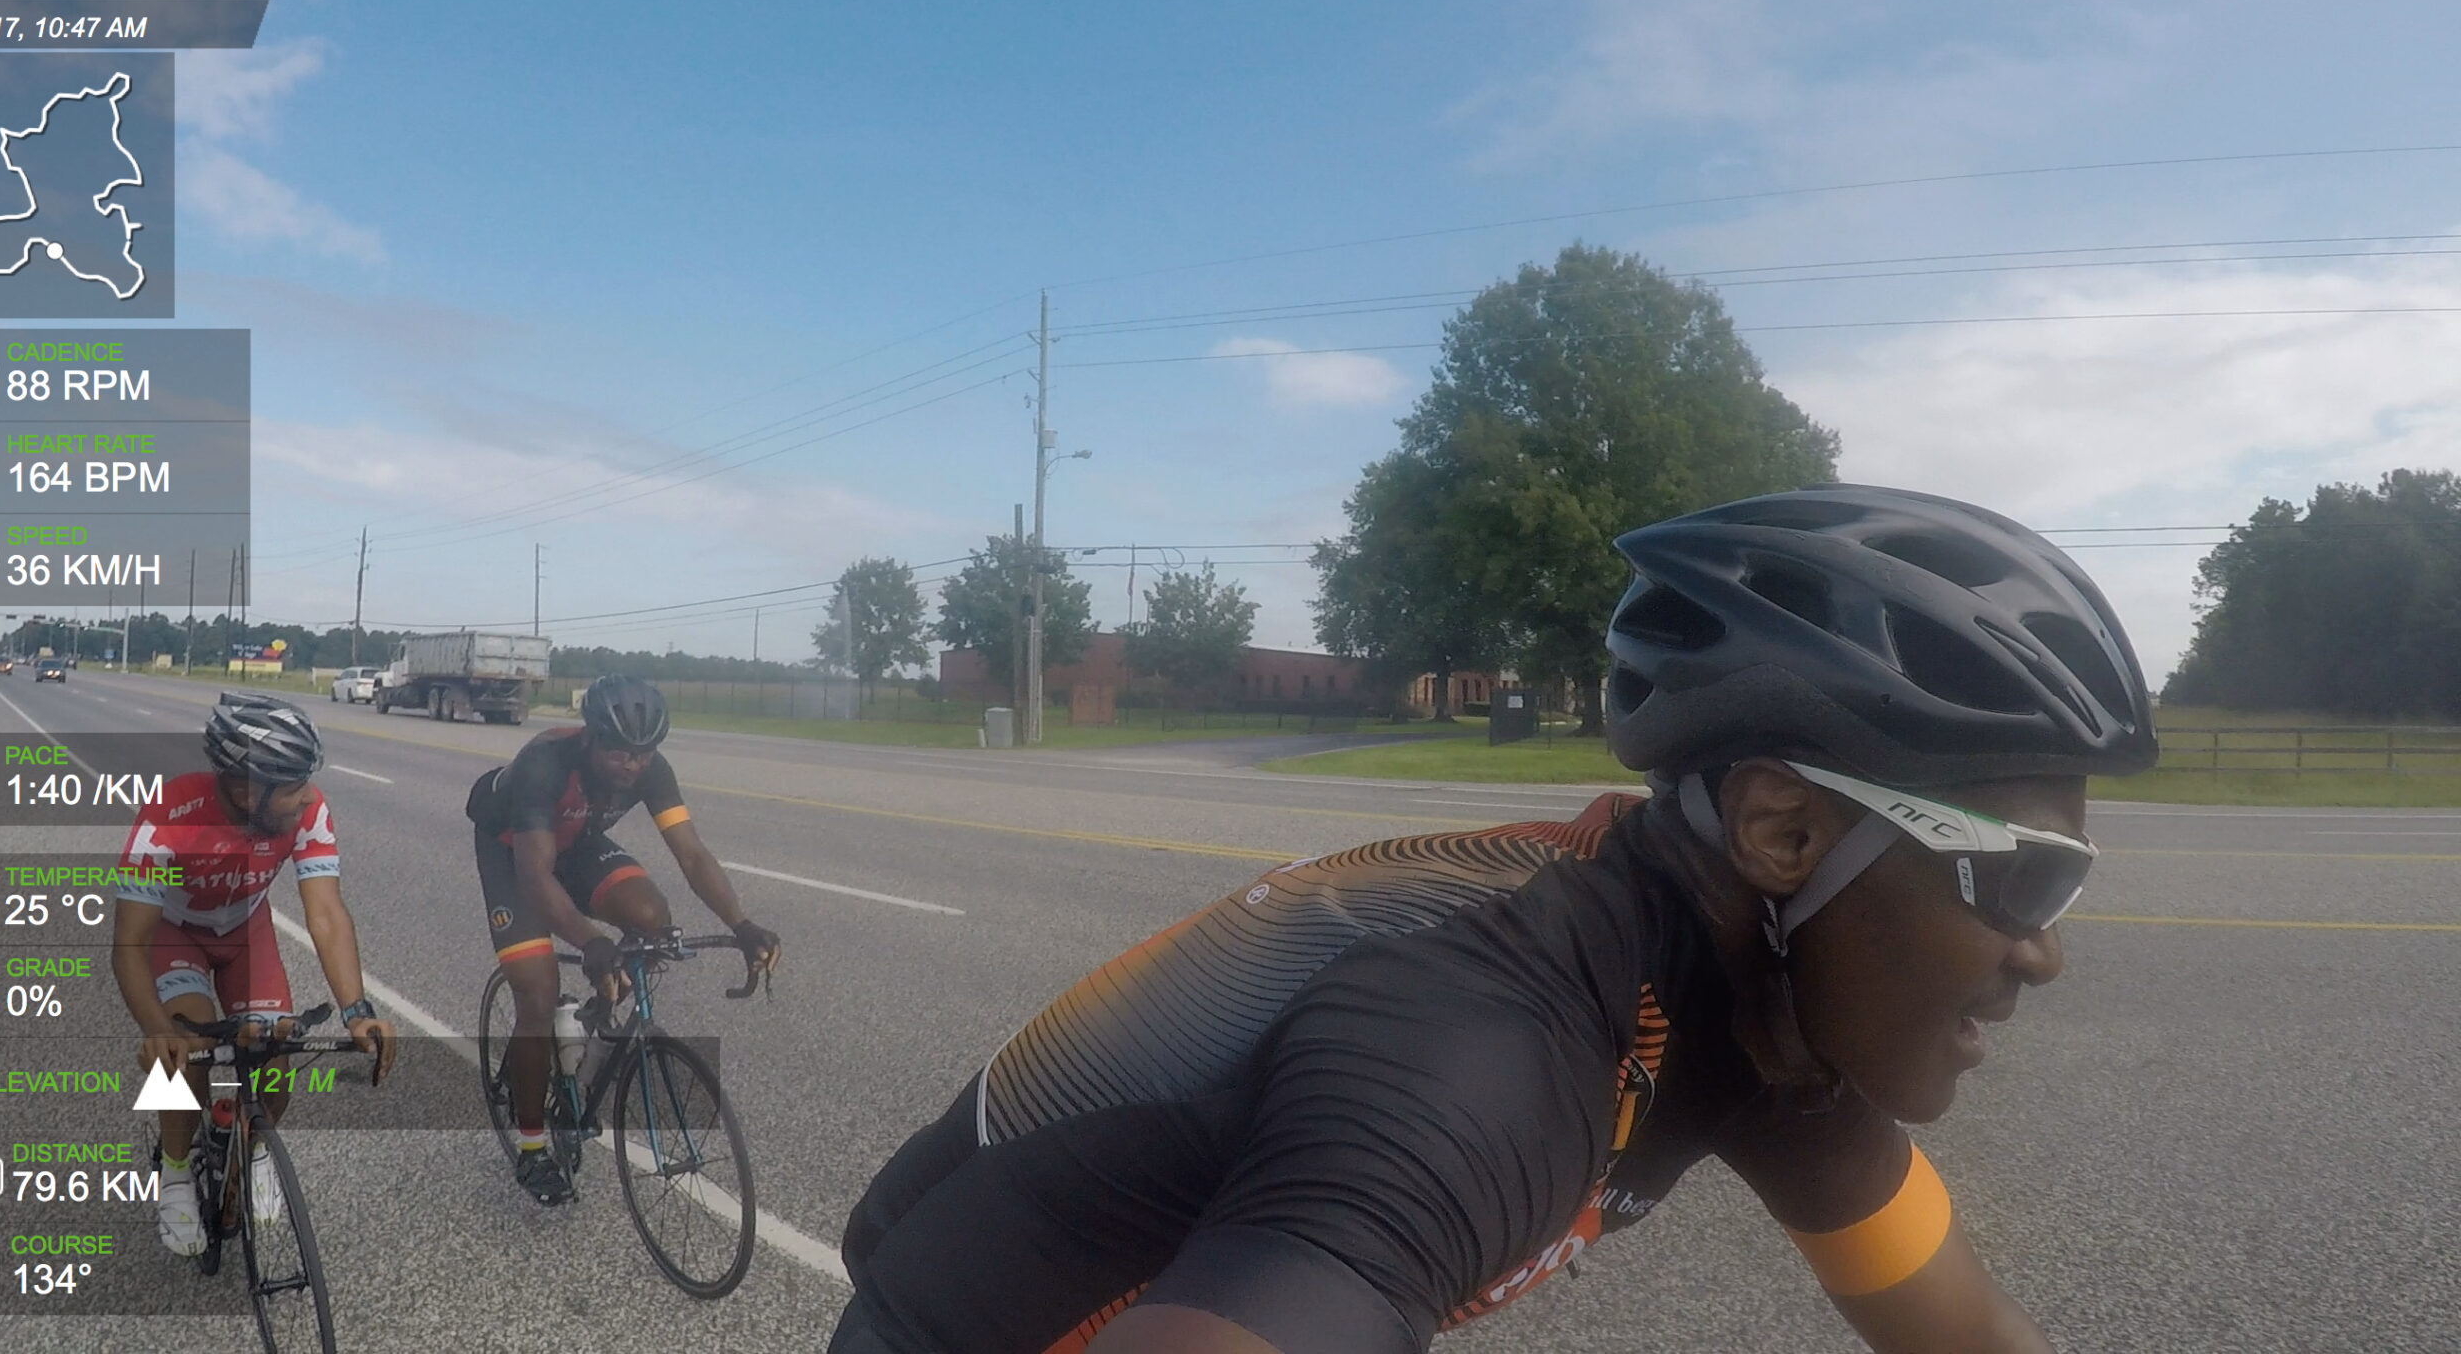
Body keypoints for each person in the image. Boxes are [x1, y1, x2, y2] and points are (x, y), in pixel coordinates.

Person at [829, 484, 2157, 1354]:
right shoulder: (1494, 1036)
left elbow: (1966, 1331)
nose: (2046, 950)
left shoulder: (1767, 1012)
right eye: (2024, 876)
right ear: (1784, 830)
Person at [467, 673, 781, 1205]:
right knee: (537, 996)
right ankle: (532, 1148)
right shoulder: (546, 762)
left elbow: (692, 854)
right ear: (590, 737)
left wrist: (742, 924)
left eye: (643, 753)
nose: (632, 765)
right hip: (513, 853)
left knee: (652, 919)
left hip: (575, 843)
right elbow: (536, 876)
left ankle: (593, 1027)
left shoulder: (652, 770)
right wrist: (591, 941)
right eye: (618, 752)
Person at [113, 691, 398, 1258]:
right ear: (247, 789)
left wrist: (357, 1010)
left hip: (247, 932)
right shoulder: (170, 816)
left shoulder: (307, 810)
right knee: (190, 1053)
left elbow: (326, 913)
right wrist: (157, 1030)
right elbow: (129, 945)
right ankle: (175, 1173)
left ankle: (257, 1147)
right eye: (292, 785)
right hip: (176, 934)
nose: (307, 796)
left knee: (275, 1051)